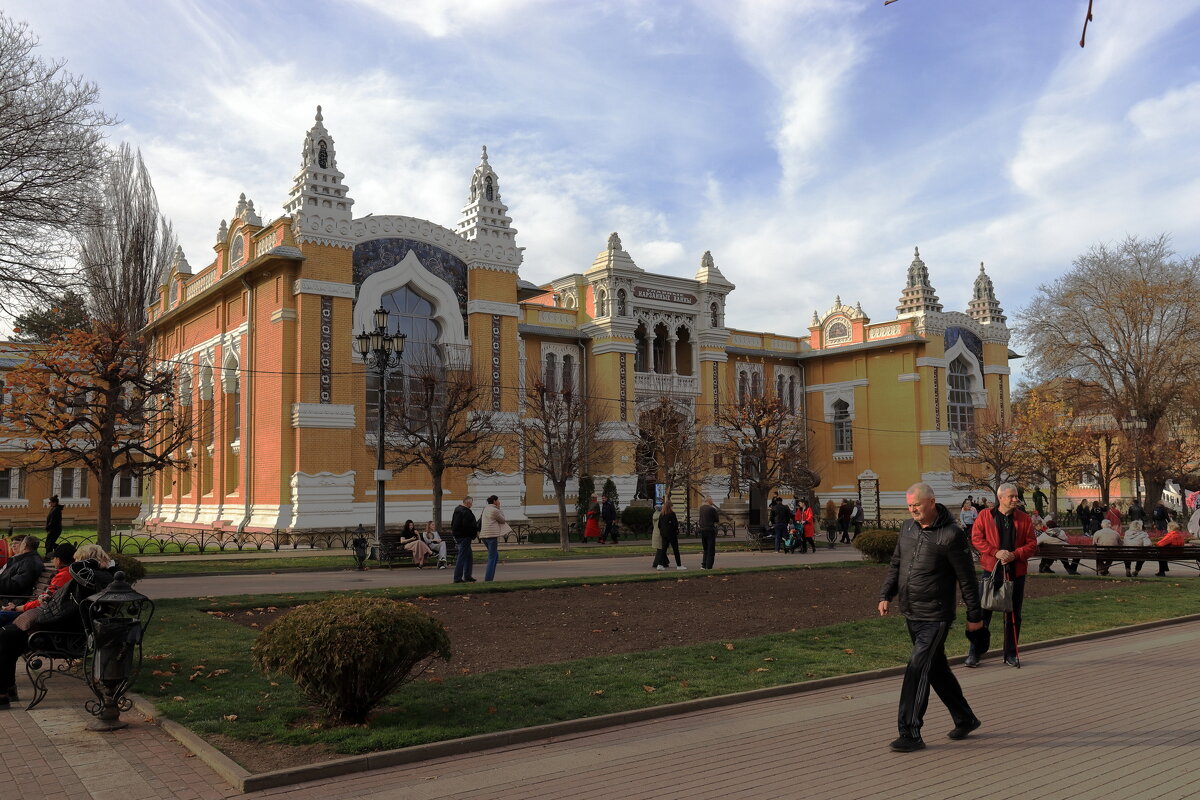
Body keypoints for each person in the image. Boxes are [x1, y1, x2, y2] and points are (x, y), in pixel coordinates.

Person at [878, 482, 983, 753]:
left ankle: (910, 732)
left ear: (932, 502)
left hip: (936, 615)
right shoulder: (907, 528)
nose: (912, 509)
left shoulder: (951, 534)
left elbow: (967, 579)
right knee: (936, 669)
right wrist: (886, 594)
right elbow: (896, 564)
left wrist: (975, 615)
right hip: (911, 611)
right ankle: (965, 718)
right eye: (909, 505)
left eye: (917, 505)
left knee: (917, 668)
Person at [0, 552, 114, 709]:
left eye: (78, 559)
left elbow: (64, 613)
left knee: (6, 635)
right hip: (63, 629)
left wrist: (93, 563)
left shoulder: (88, 580)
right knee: (7, 634)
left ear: (86, 562)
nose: (73, 562)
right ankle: (7, 688)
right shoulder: (89, 580)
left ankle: (4, 692)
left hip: (63, 636)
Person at [969, 483, 1037, 668]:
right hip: (992, 571)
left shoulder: (1024, 518)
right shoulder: (985, 515)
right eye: (1011, 496)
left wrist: (1015, 554)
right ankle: (975, 653)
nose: (1015, 499)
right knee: (983, 613)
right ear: (1000, 498)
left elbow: (1032, 544)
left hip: (1016, 572)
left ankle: (1010, 654)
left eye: (1016, 496)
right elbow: (977, 538)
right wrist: (995, 552)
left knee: (1013, 615)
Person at [0, 543, 76, 625]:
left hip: (43, 614)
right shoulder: (71, 573)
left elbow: (44, 601)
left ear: (58, 560)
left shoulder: (63, 576)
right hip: (45, 611)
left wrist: (16, 608)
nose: (52, 560)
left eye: (53, 558)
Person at [0, 535, 41, 599]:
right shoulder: (26, 560)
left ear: (24, 545)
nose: (13, 546)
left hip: (10, 597)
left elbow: (15, 585)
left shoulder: (29, 562)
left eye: (18, 543)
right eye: (12, 544)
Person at [479, 495, 508, 582]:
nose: (499, 502)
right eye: (498, 500)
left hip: (484, 535)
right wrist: (499, 509)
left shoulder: (485, 509)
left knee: (495, 555)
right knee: (492, 557)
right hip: (491, 536)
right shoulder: (494, 510)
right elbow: (503, 520)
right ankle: (488, 579)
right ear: (494, 501)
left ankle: (490, 577)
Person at [451, 495, 478, 584]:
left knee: (468, 557)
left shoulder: (457, 511)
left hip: (459, 536)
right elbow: (468, 525)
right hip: (465, 537)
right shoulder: (466, 512)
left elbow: (453, 524)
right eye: (471, 503)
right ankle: (457, 578)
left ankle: (467, 576)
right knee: (462, 557)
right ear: (468, 503)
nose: (472, 504)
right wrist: (472, 533)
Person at [654, 498, 684, 570]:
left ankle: (660, 564)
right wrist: (676, 530)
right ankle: (679, 565)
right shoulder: (672, 514)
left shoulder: (662, 514)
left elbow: (659, 525)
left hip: (664, 534)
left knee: (663, 549)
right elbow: (675, 524)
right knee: (675, 550)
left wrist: (662, 531)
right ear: (670, 506)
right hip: (672, 534)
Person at [697, 496, 719, 569]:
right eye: (712, 500)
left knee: (705, 549)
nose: (713, 501)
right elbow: (717, 519)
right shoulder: (712, 509)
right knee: (711, 549)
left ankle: (704, 565)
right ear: (709, 501)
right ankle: (708, 566)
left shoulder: (701, 508)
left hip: (702, 530)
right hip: (710, 530)